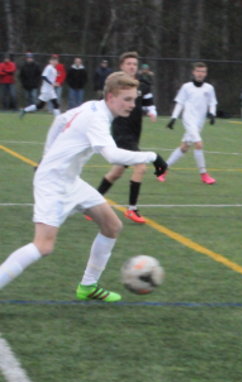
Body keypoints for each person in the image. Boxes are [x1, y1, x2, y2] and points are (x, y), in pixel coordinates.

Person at [0, 72, 167, 302]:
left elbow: (60, 121)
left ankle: (88, 287)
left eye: (134, 99)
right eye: (127, 99)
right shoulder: (97, 118)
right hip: (53, 183)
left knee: (112, 226)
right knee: (43, 246)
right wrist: (153, 156)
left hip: (70, 181)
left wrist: (46, 155)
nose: (132, 105)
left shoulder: (93, 106)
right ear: (111, 97)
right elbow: (112, 155)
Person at [94, 51, 158, 224]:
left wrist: (151, 111)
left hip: (135, 132)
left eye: (134, 64)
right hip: (121, 132)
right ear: (121, 66)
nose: (132, 67)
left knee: (116, 172)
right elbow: (101, 104)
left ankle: (91, 204)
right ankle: (132, 209)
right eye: (128, 64)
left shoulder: (142, 85)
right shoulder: (116, 86)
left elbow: (149, 102)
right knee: (141, 167)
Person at [161, 62, 218, 184]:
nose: (200, 74)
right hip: (188, 119)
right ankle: (204, 175)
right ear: (193, 72)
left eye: (202, 72)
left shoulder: (209, 88)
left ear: (206, 73)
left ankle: (162, 169)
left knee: (184, 147)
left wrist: (212, 114)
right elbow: (180, 103)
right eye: (198, 71)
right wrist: (174, 118)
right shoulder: (186, 87)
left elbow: (212, 103)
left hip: (199, 122)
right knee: (199, 144)